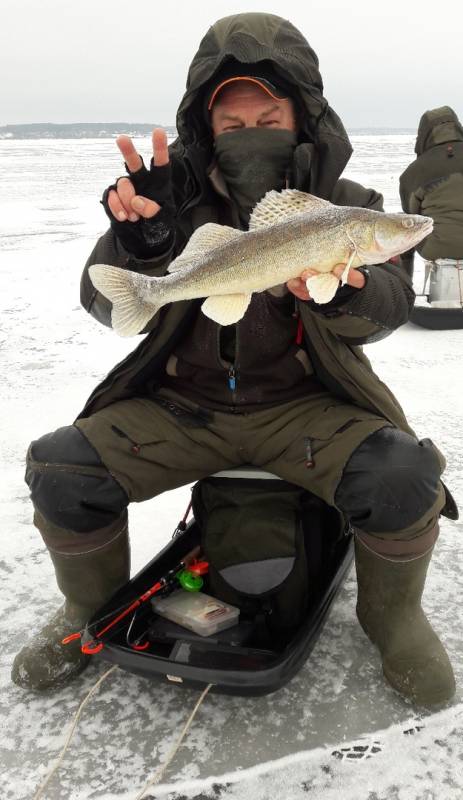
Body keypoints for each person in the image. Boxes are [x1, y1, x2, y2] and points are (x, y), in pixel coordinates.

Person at [13, 12, 457, 708]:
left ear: (303, 116)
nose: (252, 132)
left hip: (305, 409)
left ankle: (391, 618)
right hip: (181, 407)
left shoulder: (348, 208)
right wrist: (145, 243)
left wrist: (353, 288)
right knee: (64, 468)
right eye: (232, 122)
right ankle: (84, 612)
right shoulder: (170, 198)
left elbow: (390, 306)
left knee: (401, 476)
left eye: (269, 115)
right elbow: (105, 305)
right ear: (205, 126)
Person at [399, 106, 463, 280]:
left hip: (436, 246)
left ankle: (404, 288)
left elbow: (412, 213)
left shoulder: (413, 172)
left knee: (402, 225)